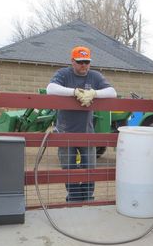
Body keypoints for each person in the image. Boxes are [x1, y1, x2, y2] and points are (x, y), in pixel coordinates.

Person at [46, 46, 117, 202]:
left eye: (87, 62)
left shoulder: (95, 76)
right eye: (80, 62)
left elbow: (112, 92)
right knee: (68, 168)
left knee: (90, 168)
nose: (84, 65)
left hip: (87, 133)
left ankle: (87, 197)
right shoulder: (63, 74)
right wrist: (74, 92)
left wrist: (94, 93)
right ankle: (74, 197)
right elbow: (50, 89)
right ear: (72, 61)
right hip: (65, 133)